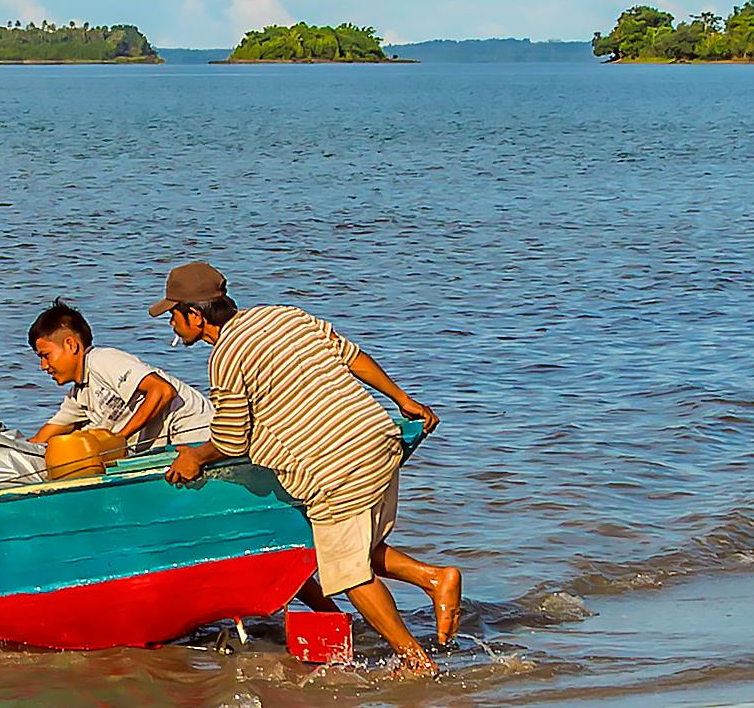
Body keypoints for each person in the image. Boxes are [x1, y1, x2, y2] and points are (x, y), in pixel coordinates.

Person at [151, 259, 461, 671]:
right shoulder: (284, 315)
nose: (171, 324)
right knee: (355, 548)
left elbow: (230, 439)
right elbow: (352, 356)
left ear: (195, 314)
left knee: (347, 573)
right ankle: (433, 579)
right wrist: (401, 399)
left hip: (335, 464)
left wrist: (194, 456)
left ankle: (415, 661)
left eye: (173, 314)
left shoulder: (225, 356)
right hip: (376, 437)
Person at [23, 299, 187, 476]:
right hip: (167, 452)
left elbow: (163, 390)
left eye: (46, 355)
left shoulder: (103, 360)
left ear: (71, 345)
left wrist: (118, 439)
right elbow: (41, 439)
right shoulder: (78, 395)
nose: (43, 366)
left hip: (190, 435)